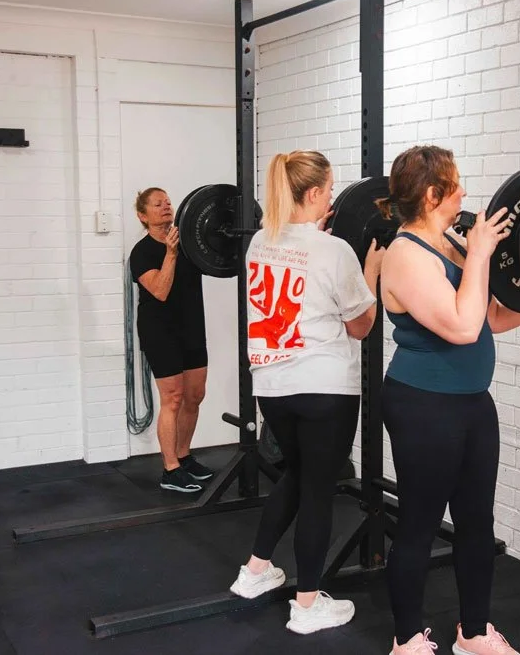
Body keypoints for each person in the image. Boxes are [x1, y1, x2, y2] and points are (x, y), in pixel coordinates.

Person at [375, 145, 520, 655]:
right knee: (420, 523)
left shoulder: (449, 243)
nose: (465, 193)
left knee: (477, 521)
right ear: (432, 194)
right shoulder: (404, 255)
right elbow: (463, 328)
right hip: (423, 404)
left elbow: (489, 316)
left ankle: (474, 632)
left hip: (471, 403)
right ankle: (406, 640)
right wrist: (483, 253)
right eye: (456, 183)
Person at [227, 150, 384, 636]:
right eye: (329, 190)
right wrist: (370, 271)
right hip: (324, 389)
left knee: (297, 473)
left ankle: (255, 571)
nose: (333, 197)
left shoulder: (259, 242)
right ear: (313, 194)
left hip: (273, 387)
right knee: (319, 487)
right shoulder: (336, 253)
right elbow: (361, 325)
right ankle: (307, 603)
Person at [129, 187, 216, 494]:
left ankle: (184, 455)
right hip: (159, 331)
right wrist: (170, 253)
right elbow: (161, 290)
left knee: (195, 395)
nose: (166, 206)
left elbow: (220, 260)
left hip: (192, 326)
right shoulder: (142, 253)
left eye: (167, 201)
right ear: (143, 215)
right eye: (157, 204)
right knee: (173, 398)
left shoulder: (189, 242)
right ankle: (170, 470)